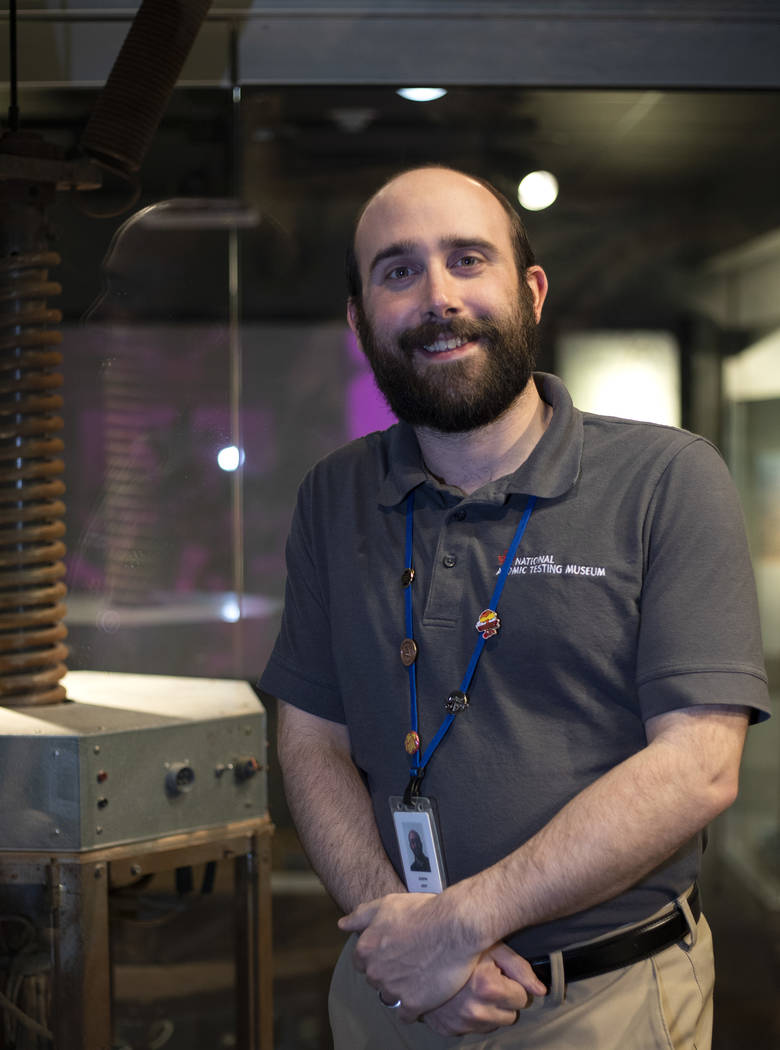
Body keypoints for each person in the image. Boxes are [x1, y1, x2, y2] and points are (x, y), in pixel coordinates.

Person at [260, 166, 771, 1049]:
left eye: (467, 260)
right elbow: (310, 737)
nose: (437, 296)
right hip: (389, 993)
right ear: (359, 319)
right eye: (397, 271)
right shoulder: (332, 495)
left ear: (529, 290)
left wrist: (454, 929)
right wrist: (403, 939)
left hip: (601, 1002)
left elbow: (698, 763)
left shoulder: (668, 479)